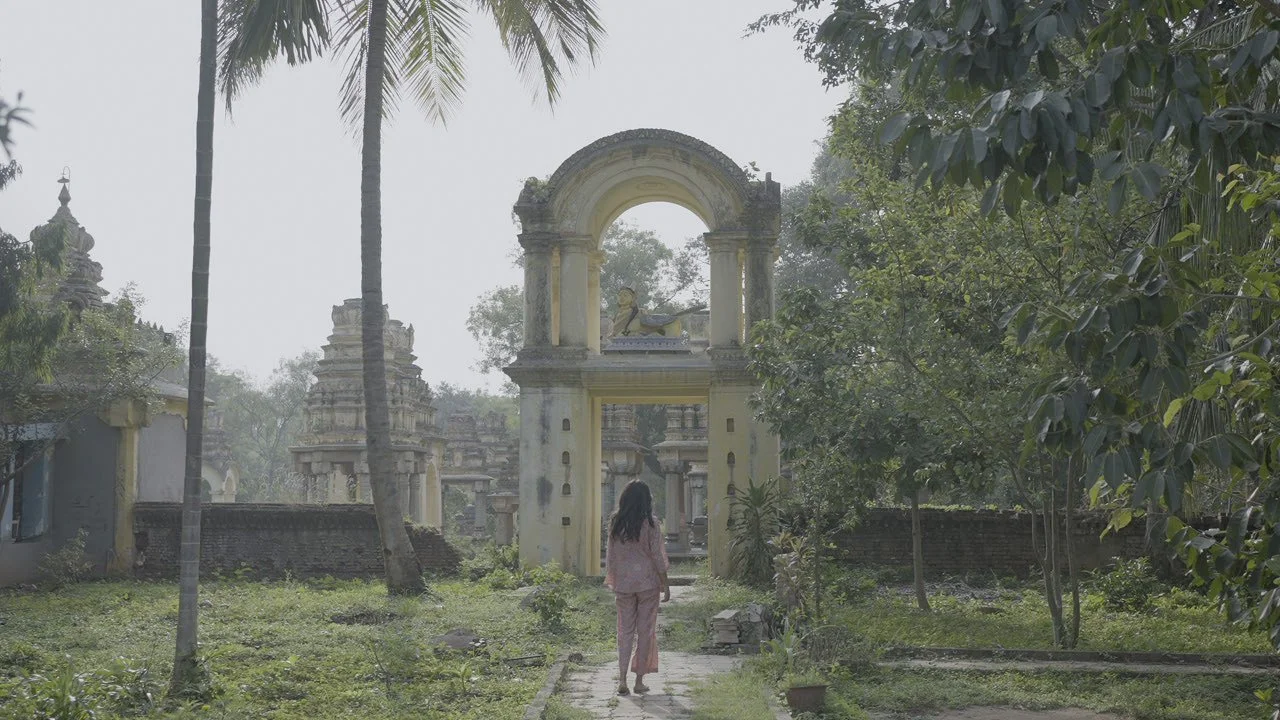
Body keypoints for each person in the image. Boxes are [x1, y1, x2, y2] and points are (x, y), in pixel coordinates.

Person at [604, 479, 671, 695]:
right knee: (645, 632)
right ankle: (639, 681)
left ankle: (622, 680)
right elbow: (657, 556)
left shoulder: (616, 522)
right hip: (647, 585)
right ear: (646, 500)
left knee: (624, 632)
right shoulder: (651, 524)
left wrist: (613, 579)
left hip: (624, 585)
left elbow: (611, 555)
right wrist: (665, 583)